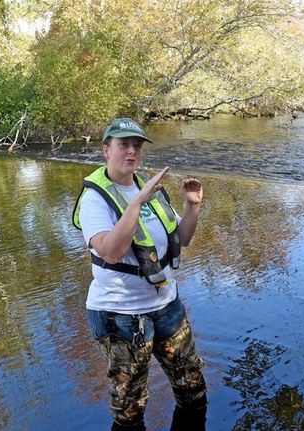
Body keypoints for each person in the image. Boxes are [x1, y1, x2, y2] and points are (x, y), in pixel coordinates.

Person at [72, 118, 208, 430]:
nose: (132, 150)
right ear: (107, 150)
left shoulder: (149, 188)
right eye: (123, 144)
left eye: (137, 145)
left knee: (194, 394)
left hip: (167, 306)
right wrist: (135, 203)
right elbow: (110, 251)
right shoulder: (96, 197)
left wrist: (192, 207)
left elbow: (181, 239)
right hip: (122, 316)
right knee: (130, 414)